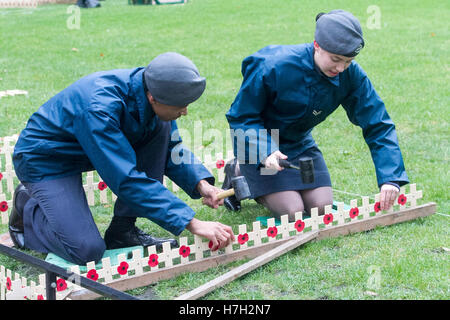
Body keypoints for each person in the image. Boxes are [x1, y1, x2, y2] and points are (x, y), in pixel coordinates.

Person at [8, 52, 235, 265]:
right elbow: (125, 179)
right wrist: (192, 223)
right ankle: (27, 207)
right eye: (180, 105)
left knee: (162, 130)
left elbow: (171, 150)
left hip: (83, 149)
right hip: (45, 160)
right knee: (86, 251)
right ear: (152, 97)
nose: (185, 111)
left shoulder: (154, 91)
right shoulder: (100, 109)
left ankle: (122, 232)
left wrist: (201, 184)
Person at [223, 10, 409, 220]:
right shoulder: (274, 65)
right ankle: (239, 169)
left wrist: (390, 178)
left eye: (348, 61)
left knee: (321, 207)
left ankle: (248, 171)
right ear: (317, 46)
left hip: (299, 145)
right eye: (335, 59)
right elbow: (241, 116)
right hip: (259, 144)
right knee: (292, 211)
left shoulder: (351, 74)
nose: (341, 68)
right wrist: (265, 152)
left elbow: (378, 123)